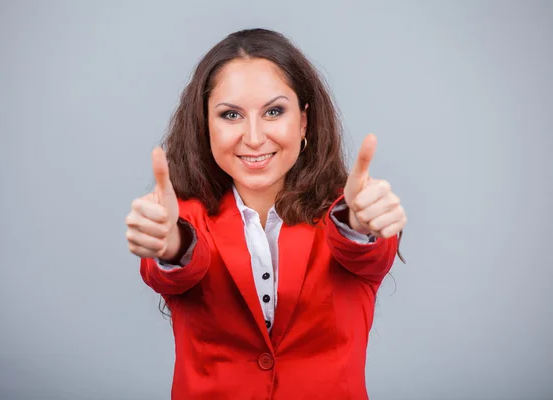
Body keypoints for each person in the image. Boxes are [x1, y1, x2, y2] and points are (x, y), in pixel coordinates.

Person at [125, 28, 407, 400]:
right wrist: (171, 244)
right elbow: (181, 258)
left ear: (303, 121)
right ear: (205, 125)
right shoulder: (183, 220)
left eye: (274, 111)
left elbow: (361, 247)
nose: (254, 137)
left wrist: (359, 224)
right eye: (231, 115)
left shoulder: (350, 213)